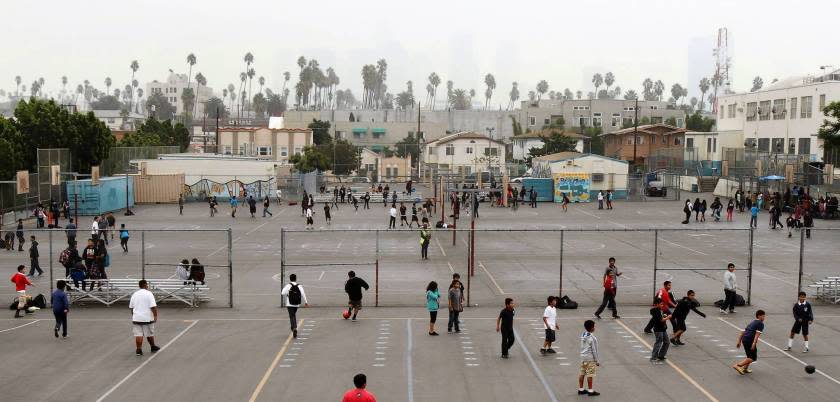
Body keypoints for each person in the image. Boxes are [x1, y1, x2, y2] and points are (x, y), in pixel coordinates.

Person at [129, 280, 160, 356]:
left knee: (138, 334)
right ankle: (152, 346)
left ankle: (138, 350)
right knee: (149, 333)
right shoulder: (149, 294)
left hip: (136, 318)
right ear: (145, 285)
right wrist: (155, 315)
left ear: (139, 286)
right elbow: (153, 306)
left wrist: (134, 315)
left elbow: (131, 307)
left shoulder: (135, 294)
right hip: (147, 317)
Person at [733, 310, 765, 374]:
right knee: (753, 358)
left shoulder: (753, 322)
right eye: (763, 316)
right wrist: (754, 343)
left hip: (744, 339)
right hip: (749, 340)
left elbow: (743, 331)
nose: (764, 318)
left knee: (749, 356)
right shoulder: (760, 324)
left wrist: (739, 341)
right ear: (759, 316)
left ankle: (745, 369)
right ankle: (737, 365)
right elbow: (756, 335)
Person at [281, 274, 309, 338]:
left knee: (292, 316)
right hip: (296, 304)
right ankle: (293, 327)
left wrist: (288, 293)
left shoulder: (288, 285)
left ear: (290, 279)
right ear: (296, 278)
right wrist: (306, 302)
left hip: (289, 304)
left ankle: (294, 328)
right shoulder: (299, 286)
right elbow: (303, 294)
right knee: (293, 315)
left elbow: (282, 293)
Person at [578, 320, 601, 396]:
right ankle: (590, 390)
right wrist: (597, 360)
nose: (594, 327)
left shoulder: (583, 334)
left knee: (582, 373)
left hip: (583, 357)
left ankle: (580, 389)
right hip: (590, 358)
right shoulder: (592, 338)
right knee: (590, 374)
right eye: (594, 326)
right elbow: (594, 350)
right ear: (591, 328)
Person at [649, 297, 671, 362]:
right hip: (658, 329)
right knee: (658, 342)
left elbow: (661, 317)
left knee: (667, 342)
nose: (662, 305)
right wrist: (668, 317)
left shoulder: (659, 310)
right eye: (661, 304)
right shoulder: (656, 311)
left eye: (662, 304)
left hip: (663, 328)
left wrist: (664, 315)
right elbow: (661, 320)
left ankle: (661, 355)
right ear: (656, 304)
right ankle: (654, 357)